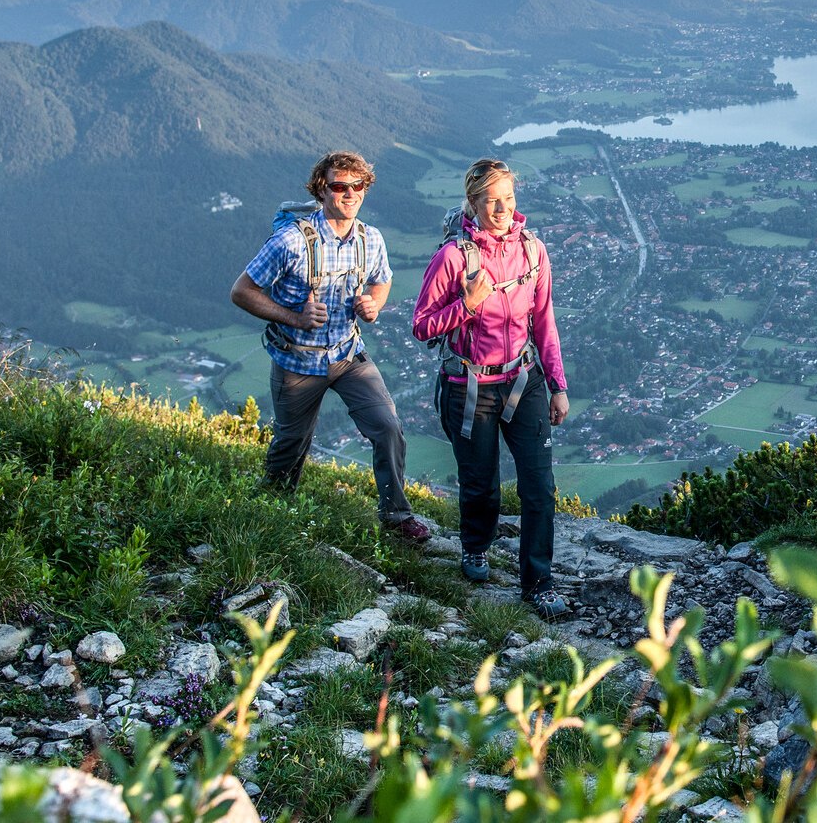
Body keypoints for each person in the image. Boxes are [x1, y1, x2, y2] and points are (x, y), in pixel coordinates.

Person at [230, 150, 429, 544]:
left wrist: (374, 303)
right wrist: (294, 318)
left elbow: (381, 279)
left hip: (347, 355)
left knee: (388, 427)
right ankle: (271, 513)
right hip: (297, 360)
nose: (350, 193)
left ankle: (396, 516)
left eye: (358, 186)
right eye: (340, 186)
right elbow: (242, 291)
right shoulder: (290, 241)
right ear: (322, 190)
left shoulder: (371, 239)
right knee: (291, 443)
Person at [412, 158, 571, 619]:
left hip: (523, 379)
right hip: (469, 386)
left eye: (509, 199)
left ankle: (538, 583)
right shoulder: (454, 258)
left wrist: (558, 385)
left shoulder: (533, 252)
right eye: (491, 200)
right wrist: (467, 303)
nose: (501, 209)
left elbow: (544, 322)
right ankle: (475, 546)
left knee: (540, 485)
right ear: (473, 202)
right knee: (482, 485)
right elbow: (422, 326)